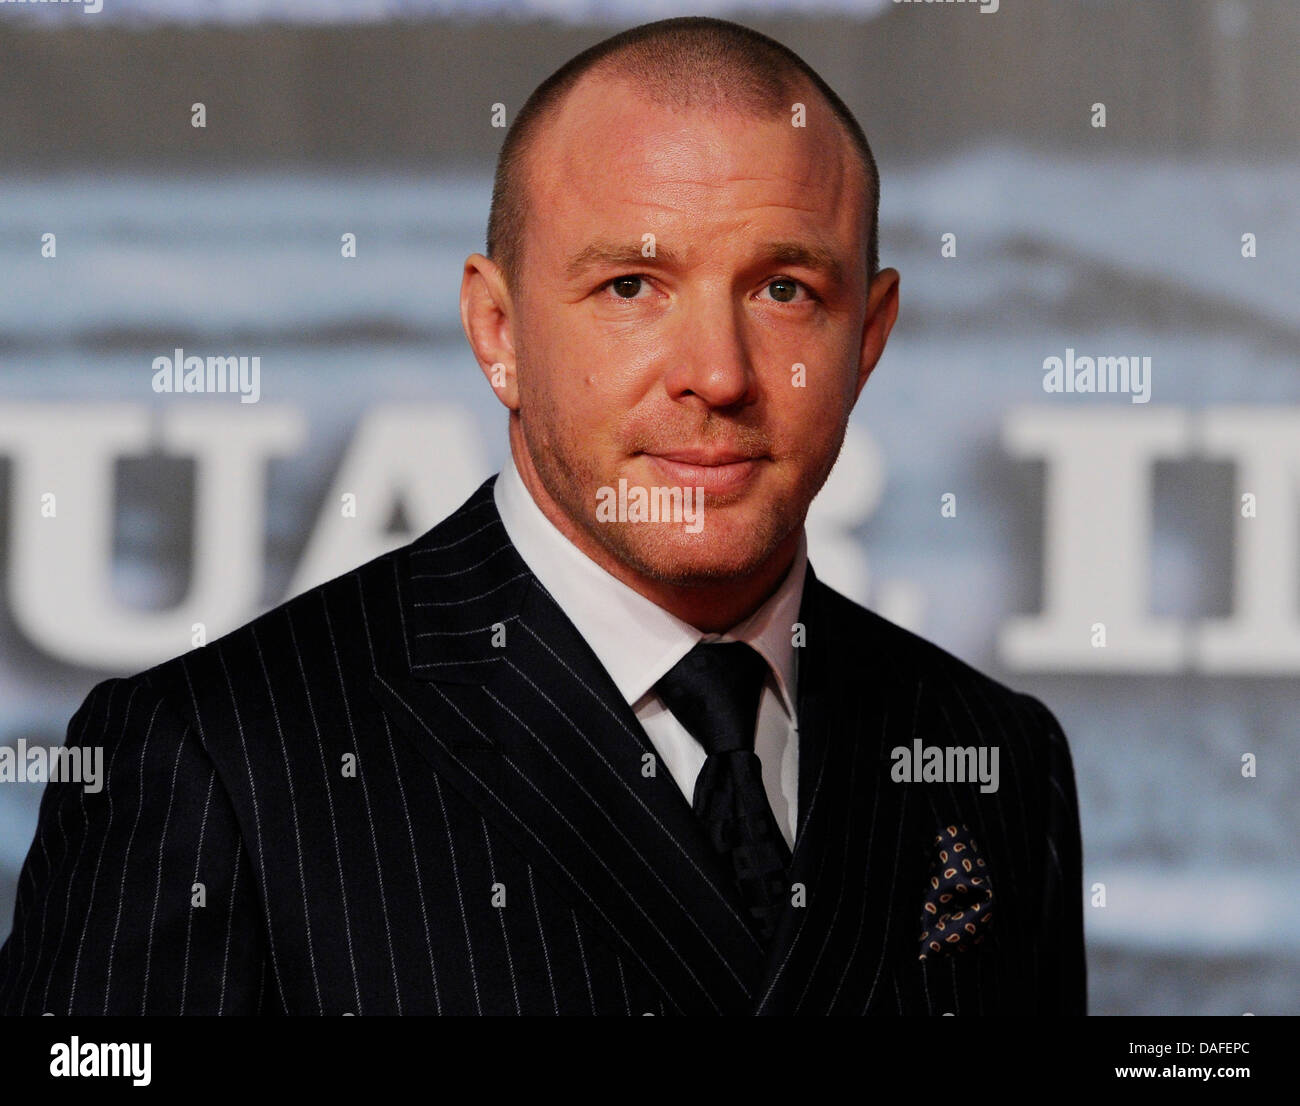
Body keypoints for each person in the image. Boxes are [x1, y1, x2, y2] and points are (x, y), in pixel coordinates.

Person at [0, 16, 1085, 1015]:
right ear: (496, 331)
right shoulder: (219, 757)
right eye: (630, 286)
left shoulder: (991, 752)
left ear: (871, 334)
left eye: (784, 289)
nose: (716, 373)